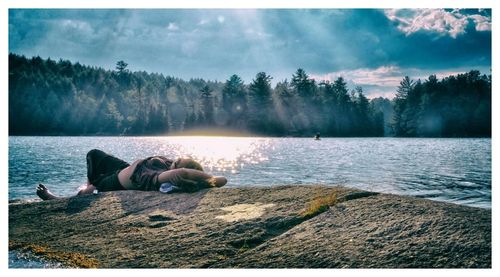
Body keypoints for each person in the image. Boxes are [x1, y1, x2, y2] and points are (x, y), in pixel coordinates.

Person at [36, 149, 227, 201]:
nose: (174, 161)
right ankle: (89, 187)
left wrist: (208, 180)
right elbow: (183, 169)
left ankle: (64, 197)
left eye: (176, 164)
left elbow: (221, 180)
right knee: (96, 154)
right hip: (123, 169)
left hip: (112, 182)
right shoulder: (166, 166)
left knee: (93, 161)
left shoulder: (155, 178)